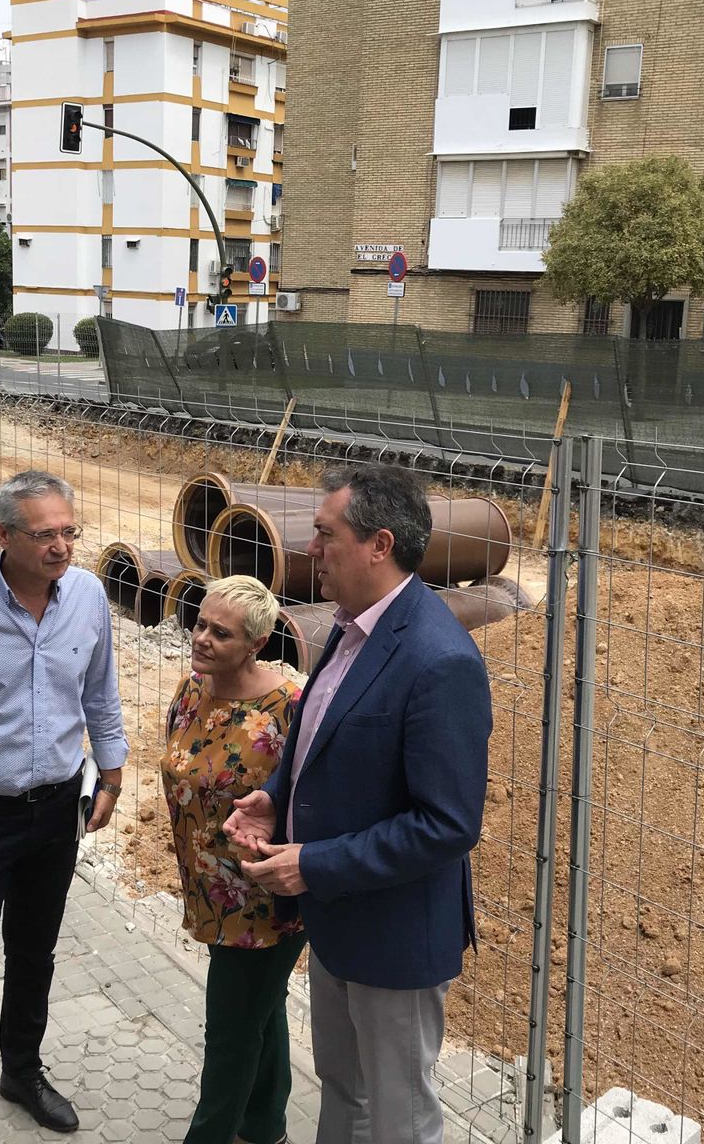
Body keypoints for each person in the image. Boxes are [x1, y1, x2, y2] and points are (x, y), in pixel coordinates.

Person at [225, 465, 492, 1144]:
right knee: (345, 1095)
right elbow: (319, 742)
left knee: (399, 1117)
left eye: (324, 533)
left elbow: (448, 824)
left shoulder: (439, 660)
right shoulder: (350, 628)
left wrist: (312, 863)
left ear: (379, 544)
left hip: (397, 937)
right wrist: (272, 798)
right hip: (340, 922)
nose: (309, 549)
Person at [0, 470, 128, 1140]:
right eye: (45, 535)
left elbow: (100, 691)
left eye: (69, 531)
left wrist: (112, 774)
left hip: (55, 811)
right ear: (4, 535)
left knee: (35, 954)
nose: (62, 546)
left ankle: (22, 1071)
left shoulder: (89, 597)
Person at [162, 575, 304, 1144]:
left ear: (256, 643)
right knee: (258, 1013)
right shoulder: (191, 691)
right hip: (207, 888)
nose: (201, 638)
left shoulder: (288, 707)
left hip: (264, 896)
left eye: (219, 633)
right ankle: (266, 1126)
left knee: (229, 1030)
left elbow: (314, 796)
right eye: (199, 623)